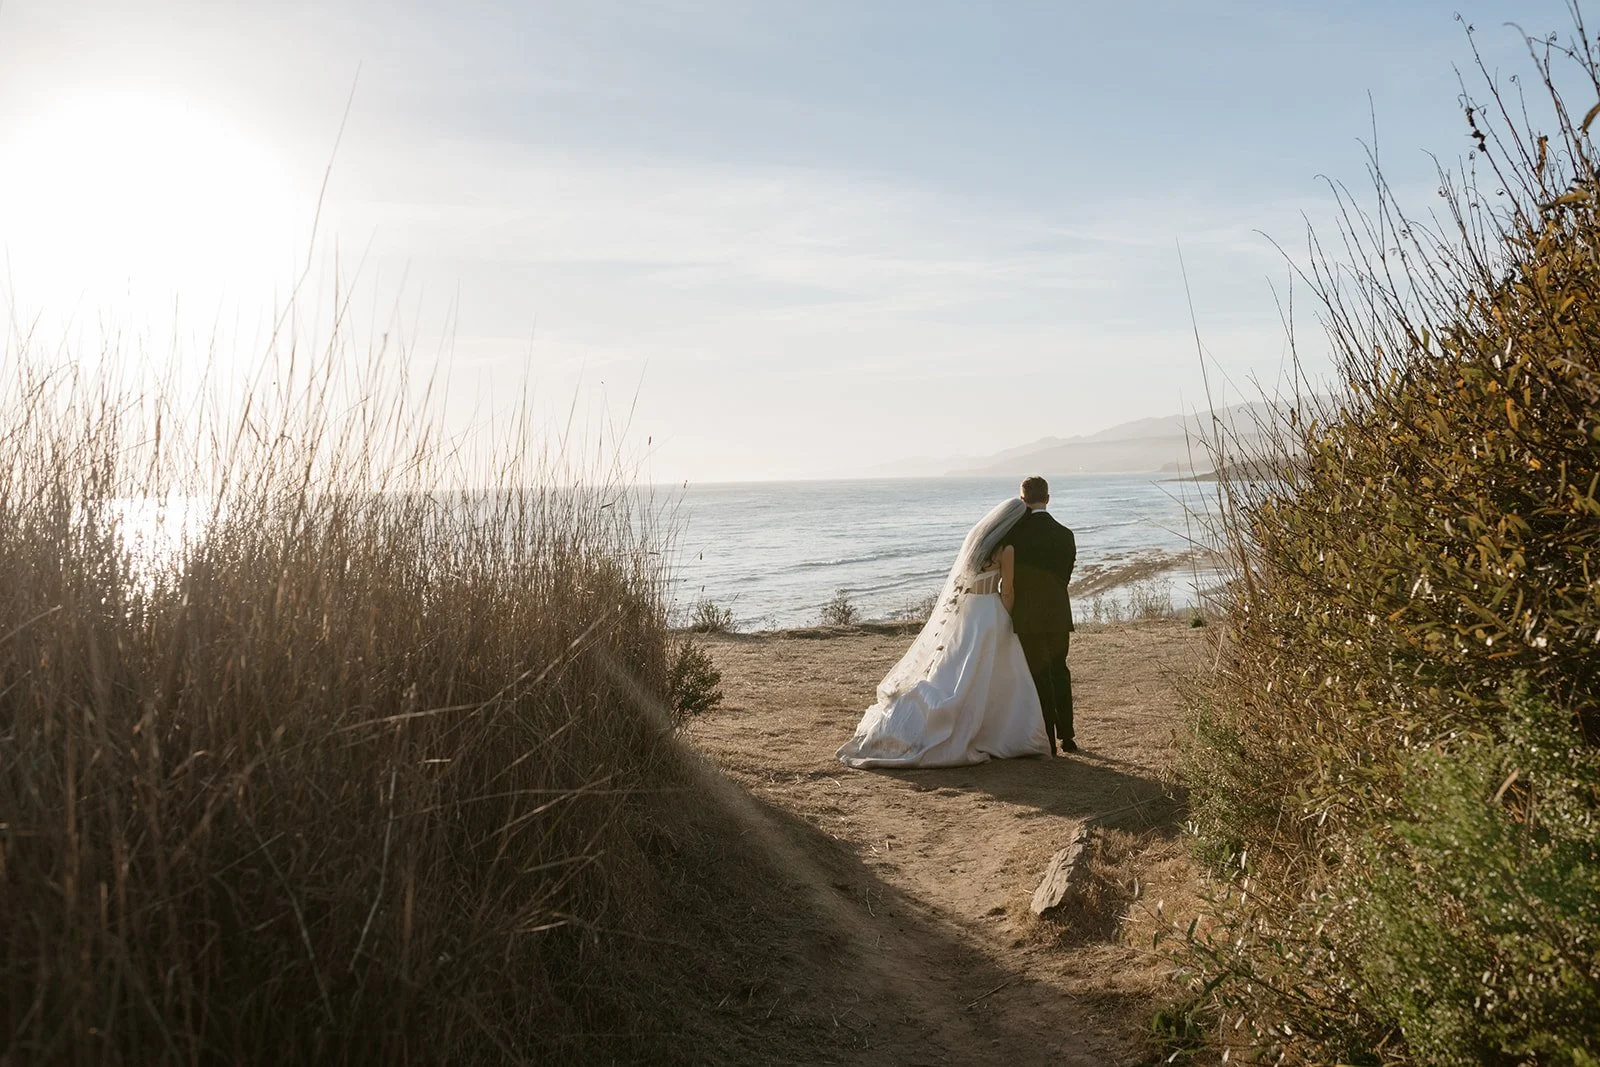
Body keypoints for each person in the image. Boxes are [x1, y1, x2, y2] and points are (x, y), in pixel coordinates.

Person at [836, 497, 1049, 768]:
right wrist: (1007, 615)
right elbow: (1007, 589)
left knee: (956, 668)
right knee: (999, 673)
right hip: (989, 611)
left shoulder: (976, 544)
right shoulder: (1007, 549)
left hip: (968, 611)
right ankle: (1000, 732)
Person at [999, 476, 1077, 754]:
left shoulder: (1014, 536)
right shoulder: (1065, 534)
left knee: (1038, 675)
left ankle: (1047, 737)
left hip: (1028, 614)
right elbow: (1064, 577)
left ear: (1022, 501)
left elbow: (1009, 577)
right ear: (1048, 498)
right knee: (1059, 671)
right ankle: (1068, 737)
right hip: (1058, 613)